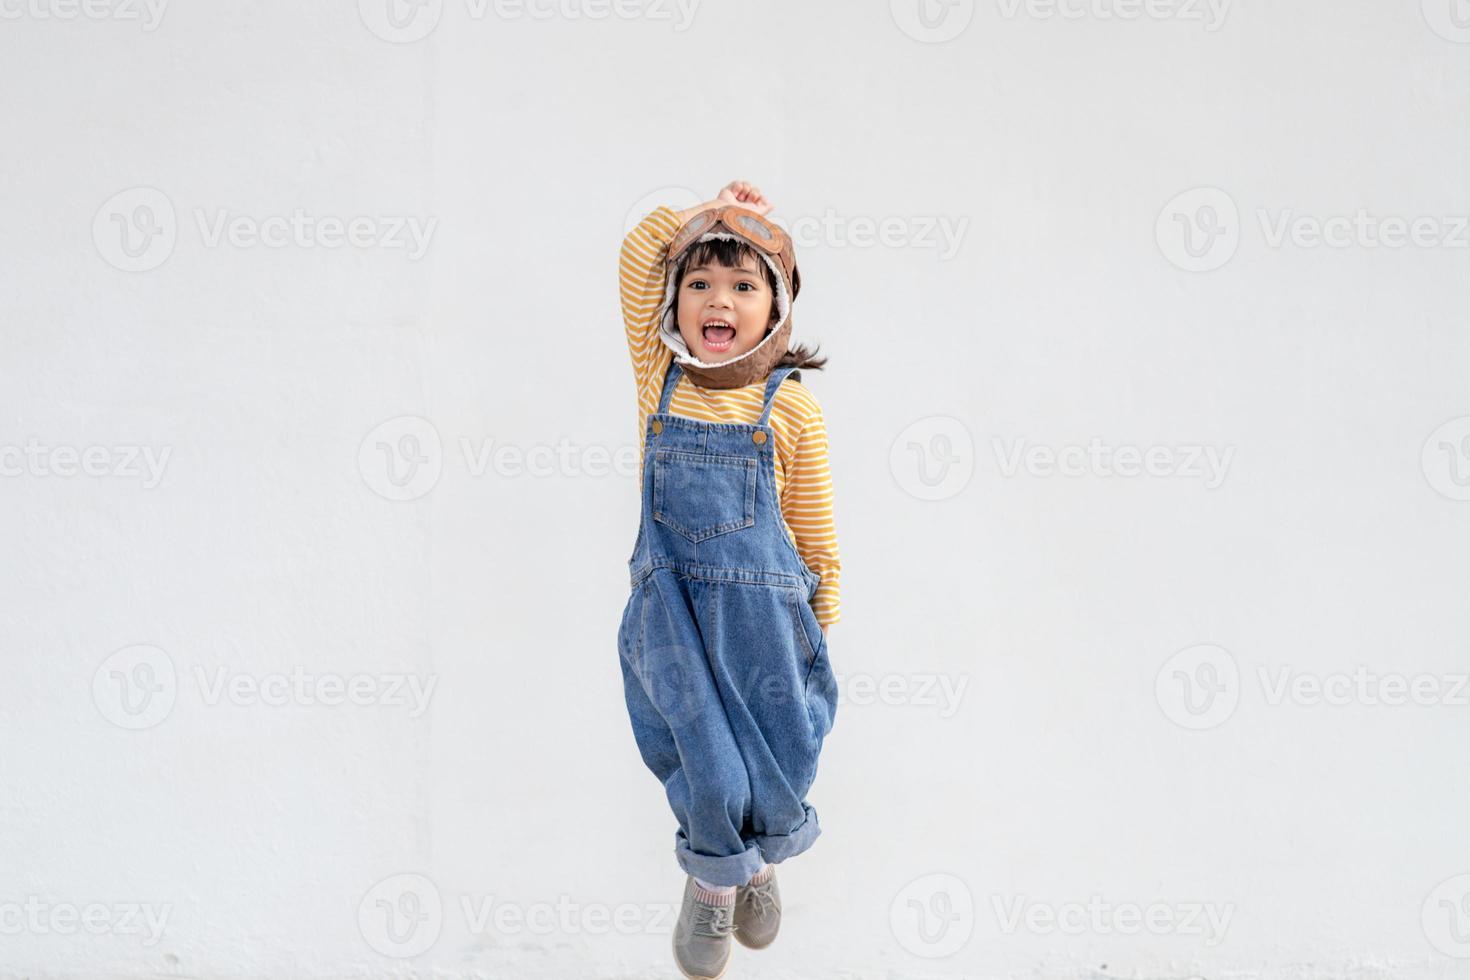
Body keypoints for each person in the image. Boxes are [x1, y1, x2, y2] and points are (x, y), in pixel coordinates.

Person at [616, 180, 843, 979]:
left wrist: (827, 609)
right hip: (673, 614)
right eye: (699, 284)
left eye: (744, 285)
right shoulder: (658, 383)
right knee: (708, 763)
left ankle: (763, 857)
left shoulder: (792, 410)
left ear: (776, 308)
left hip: (765, 622)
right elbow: (638, 254)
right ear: (674, 305)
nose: (719, 300)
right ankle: (712, 881)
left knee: (779, 767)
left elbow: (813, 527)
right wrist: (698, 212)